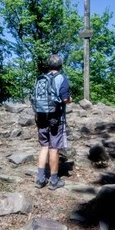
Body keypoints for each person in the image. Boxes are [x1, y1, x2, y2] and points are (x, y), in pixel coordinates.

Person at [35, 54, 72, 190]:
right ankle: (54, 180)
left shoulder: (40, 79)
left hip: (41, 116)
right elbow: (64, 98)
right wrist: (70, 99)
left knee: (44, 147)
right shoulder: (61, 78)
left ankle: (40, 179)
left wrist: (36, 116)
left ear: (48, 65)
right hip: (56, 118)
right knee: (54, 148)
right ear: (60, 65)